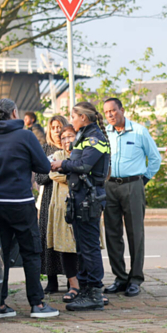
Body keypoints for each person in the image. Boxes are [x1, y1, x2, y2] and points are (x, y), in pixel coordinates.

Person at [0, 98, 59, 319]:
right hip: (21, 204)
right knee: (31, 252)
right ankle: (37, 304)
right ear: (13, 112)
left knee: (1, 254)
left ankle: (0, 304)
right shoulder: (26, 136)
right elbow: (42, 166)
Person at [51, 102, 110, 311]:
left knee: (90, 248)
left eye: (73, 116)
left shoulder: (95, 139)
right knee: (83, 248)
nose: (71, 120)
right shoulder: (84, 136)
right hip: (80, 198)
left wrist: (61, 164)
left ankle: (94, 292)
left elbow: (84, 165)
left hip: (88, 198)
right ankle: (85, 290)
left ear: (83, 118)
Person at [101, 97, 161, 298]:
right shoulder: (104, 134)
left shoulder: (139, 131)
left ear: (122, 110)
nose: (110, 115)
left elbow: (155, 158)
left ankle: (135, 279)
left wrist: (142, 181)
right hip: (109, 186)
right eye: (107, 112)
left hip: (133, 185)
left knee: (135, 233)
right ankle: (120, 277)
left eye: (113, 111)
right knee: (112, 234)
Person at [36, 115, 71, 293]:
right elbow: (39, 177)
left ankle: (71, 279)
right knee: (48, 238)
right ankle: (52, 280)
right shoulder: (44, 149)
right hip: (49, 198)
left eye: (60, 127)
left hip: (66, 198)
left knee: (67, 238)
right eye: (53, 127)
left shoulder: (71, 148)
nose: (57, 130)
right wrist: (55, 171)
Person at [47, 126, 81, 302]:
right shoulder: (58, 155)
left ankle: (87, 284)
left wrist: (67, 171)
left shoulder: (84, 153)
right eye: (64, 137)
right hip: (63, 207)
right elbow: (53, 173)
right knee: (66, 248)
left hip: (83, 206)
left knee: (84, 247)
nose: (68, 140)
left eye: (71, 136)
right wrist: (77, 175)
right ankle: (73, 283)